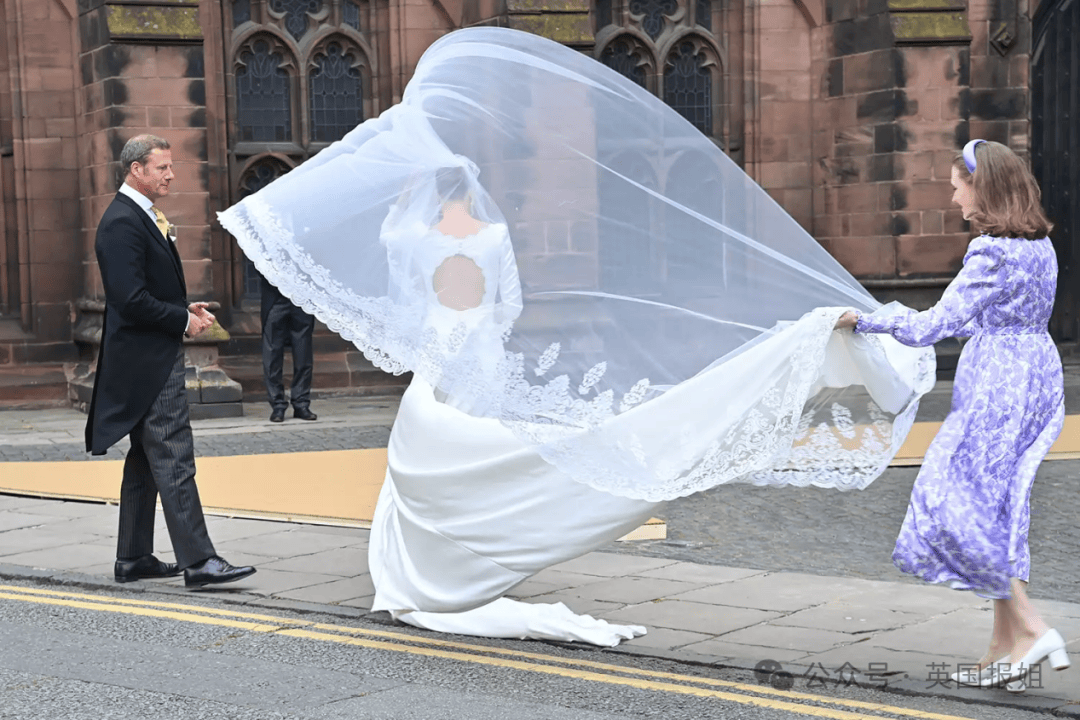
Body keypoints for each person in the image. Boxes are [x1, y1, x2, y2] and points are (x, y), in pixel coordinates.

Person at [220, 28, 933, 645]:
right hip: (478, 368)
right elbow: (504, 307)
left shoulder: (409, 231)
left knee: (445, 470)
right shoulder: (491, 232)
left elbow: (405, 271)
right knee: (541, 460)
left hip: (442, 379)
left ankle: (417, 580)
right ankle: (796, 352)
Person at [834, 139, 1069, 690]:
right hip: (1037, 372)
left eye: (958, 184)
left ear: (981, 186)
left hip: (996, 383)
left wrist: (865, 319)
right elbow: (983, 315)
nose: (953, 194)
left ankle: (1033, 629)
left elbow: (932, 327)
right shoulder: (1040, 247)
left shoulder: (989, 250)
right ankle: (1004, 648)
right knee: (1000, 504)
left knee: (953, 497)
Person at [86, 134, 256, 589]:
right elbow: (130, 300)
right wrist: (181, 319)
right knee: (175, 455)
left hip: (148, 357)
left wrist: (188, 309)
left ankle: (133, 556)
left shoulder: (138, 217)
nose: (171, 175)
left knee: (145, 457)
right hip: (149, 364)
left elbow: (147, 292)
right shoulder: (122, 222)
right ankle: (199, 561)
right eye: (162, 167)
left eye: (170, 167)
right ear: (136, 169)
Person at [261, 276, 317, 423]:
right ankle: (277, 405)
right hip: (274, 297)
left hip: (301, 297)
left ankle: (301, 403)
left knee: (303, 354)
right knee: (272, 355)